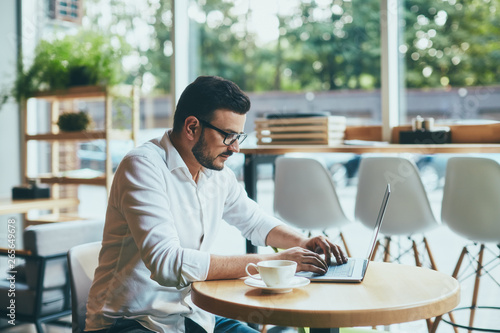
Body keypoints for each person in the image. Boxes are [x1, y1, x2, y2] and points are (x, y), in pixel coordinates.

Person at [84, 76, 347, 333]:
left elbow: (254, 221)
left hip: (195, 316)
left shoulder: (216, 174)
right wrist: (274, 261)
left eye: (238, 137)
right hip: (132, 320)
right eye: (228, 136)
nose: (235, 149)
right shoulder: (142, 166)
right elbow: (167, 263)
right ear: (191, 127)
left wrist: (302, 243)